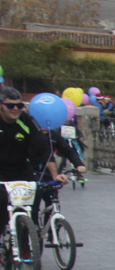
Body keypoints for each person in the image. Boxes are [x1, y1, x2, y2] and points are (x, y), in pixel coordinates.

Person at [0, 86, 66, 249]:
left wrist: (55, 175)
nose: (15, 109)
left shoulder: (27, 120)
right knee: (2, 203)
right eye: (10, 106)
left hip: (21, 168)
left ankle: (26, 245)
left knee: (33, 198)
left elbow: (42, 146)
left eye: (19, 105)